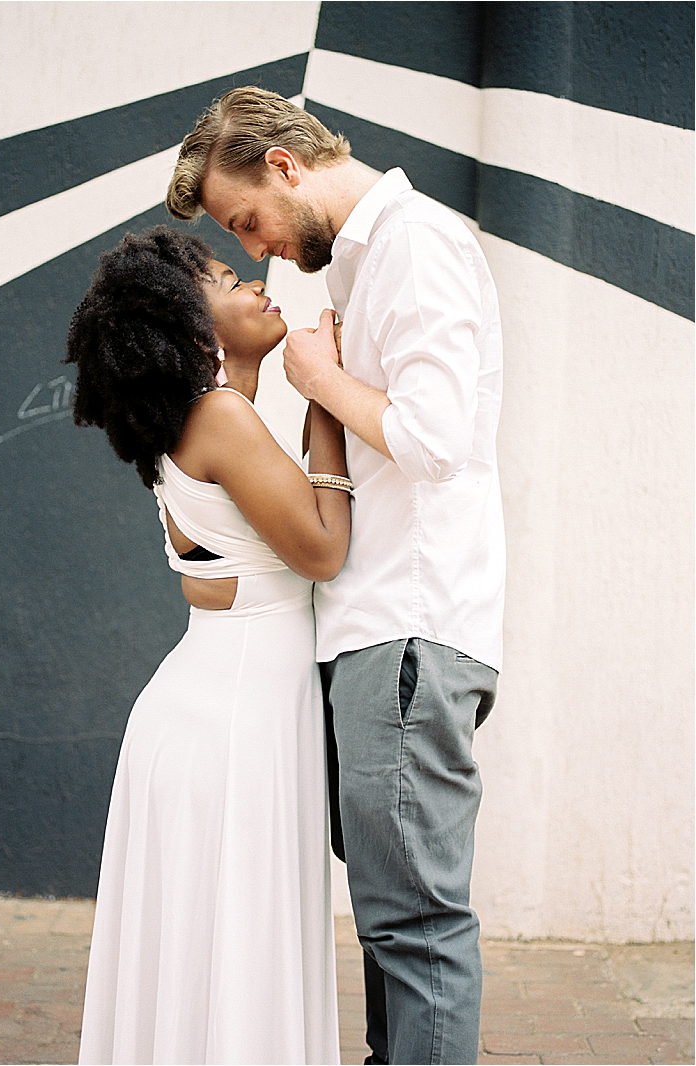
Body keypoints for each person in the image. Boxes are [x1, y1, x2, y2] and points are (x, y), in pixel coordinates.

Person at [167, 88, 505, 1066]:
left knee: (415, 930)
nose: (259, 247)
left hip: (408, 621)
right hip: (380, 626)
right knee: (390, 926)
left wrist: (314, 381)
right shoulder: (365, 261)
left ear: (281, 166)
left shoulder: (412, 243)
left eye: (247, 222)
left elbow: (436, 443)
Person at [66, 224, 349, 1065]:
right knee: (242, 941)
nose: (258, 281)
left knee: (205, 954)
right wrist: (329, 399)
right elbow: (324, 550)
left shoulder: (195, 422)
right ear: (194, 333)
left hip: (208, 701)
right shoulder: (220, 416)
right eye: (228, 280)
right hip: (239, 716)